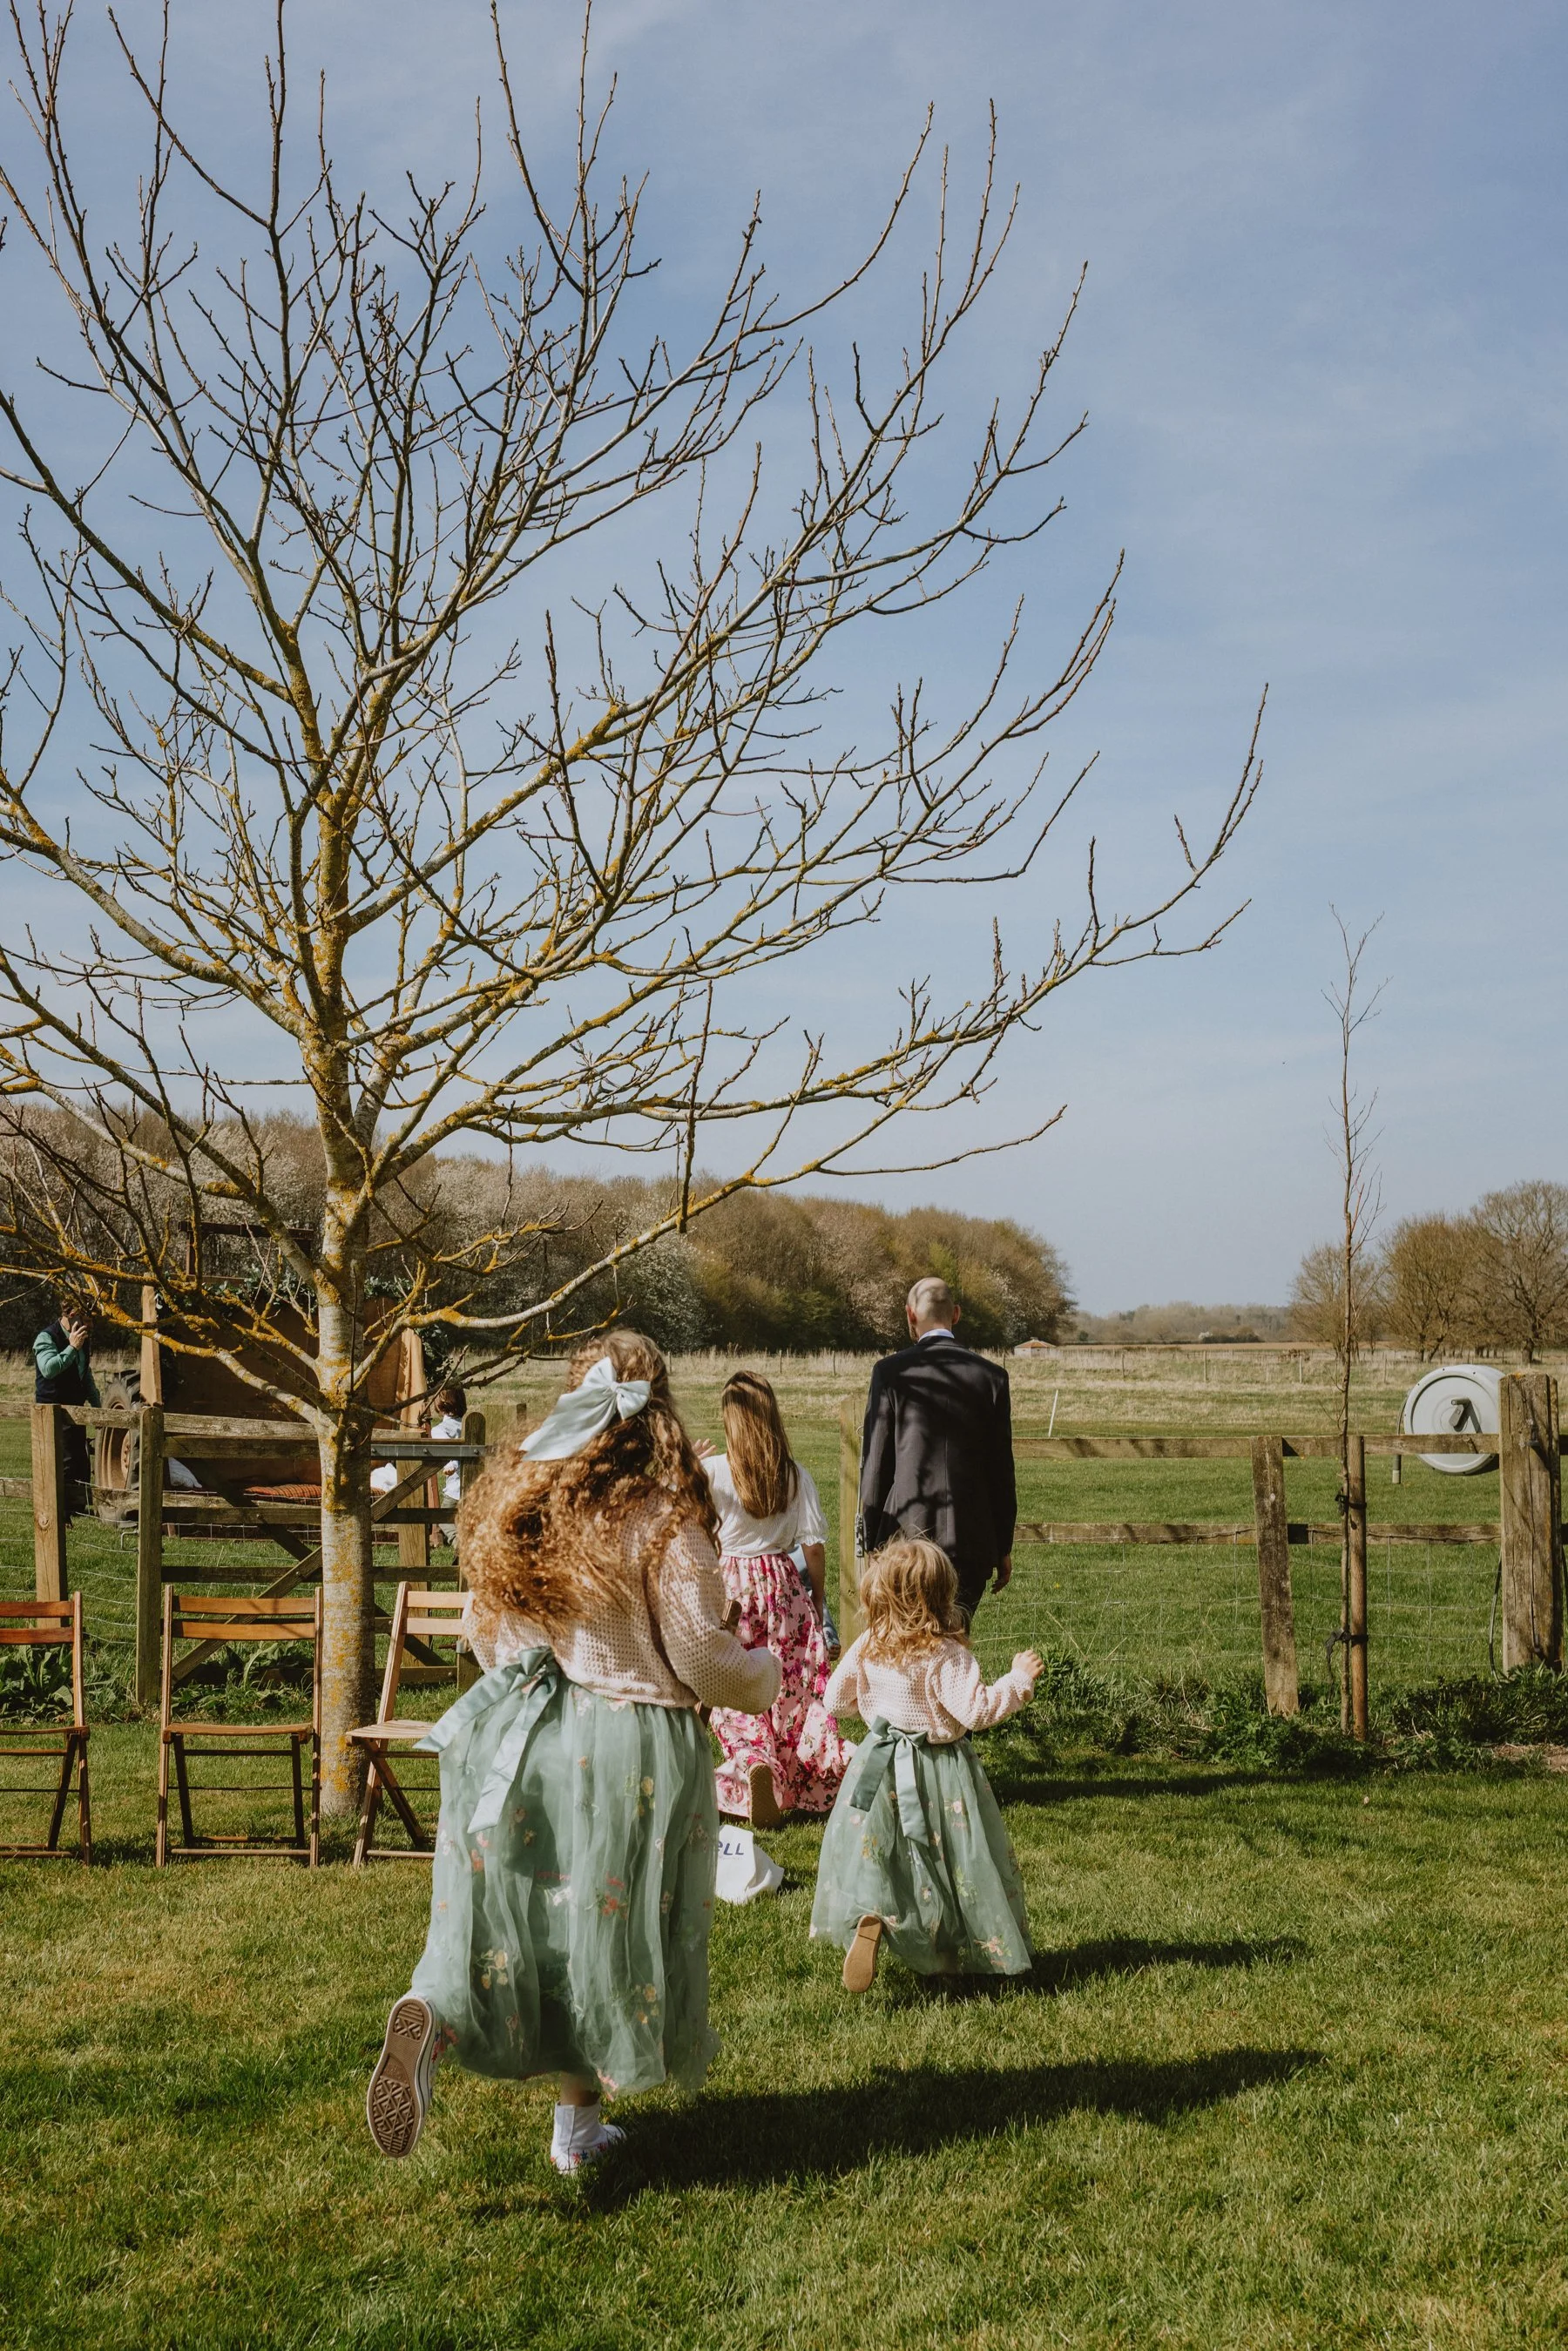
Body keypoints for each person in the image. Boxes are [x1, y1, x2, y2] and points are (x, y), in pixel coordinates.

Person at [364, 1331, 781, 2174]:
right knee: (606, 1931)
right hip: (635, 1746)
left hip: (539, 1732)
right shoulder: (664, 1519)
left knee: (527, 1917)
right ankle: (578, 2128)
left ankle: (434, 2012)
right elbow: (700, 1654)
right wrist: (764, 1674)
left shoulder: (542, 1508)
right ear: (659, 1407)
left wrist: (539, 1670)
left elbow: (488, 1623)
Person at [811, 1537, 1041, 1992]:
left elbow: (835, 1699)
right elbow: (977, 1712)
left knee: (885, 1850)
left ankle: (875, 1914)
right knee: (944, 1857)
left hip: (878, 1767)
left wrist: (877, 1711)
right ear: (943, 1595)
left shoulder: (870, 1645)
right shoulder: (946, 1655)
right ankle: (944, 1950)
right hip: (938, 1775)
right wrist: (1018, 1681)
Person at [703, 1369, 856, 1827]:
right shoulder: (794, 1476)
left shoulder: (712, 1473)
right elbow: (812, 1548)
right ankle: (831, 1762)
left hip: (733, 1590)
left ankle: (753, 1762)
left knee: (734, 1679)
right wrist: (820, 1601)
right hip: (784, 1586)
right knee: (796, 1688)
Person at [858, 1275, 1017, 1624]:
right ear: (956, 1314)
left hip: (906, 1543)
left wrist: (870, 1541)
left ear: (910, 1315)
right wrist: (1003, 1545)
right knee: (956, 1648)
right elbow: (1001, 1471)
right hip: (970, 1541)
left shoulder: (891, 1373)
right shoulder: (991, 1378)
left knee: (909, 1645)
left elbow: (876, 1464)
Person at [32, 1297, 99, 1499]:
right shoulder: (46, 1337)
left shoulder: (82, 1338)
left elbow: (85, 1374)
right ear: (72, 1316)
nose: (91, 1325)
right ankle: (60, 1510)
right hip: (52, 1413)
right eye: (87, 1320)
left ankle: (78, 1507)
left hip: (76, 1411)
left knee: (80, 1462)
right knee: (61, 1464)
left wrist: (100, 1410)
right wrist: (71, 1348)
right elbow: (49, 1369)